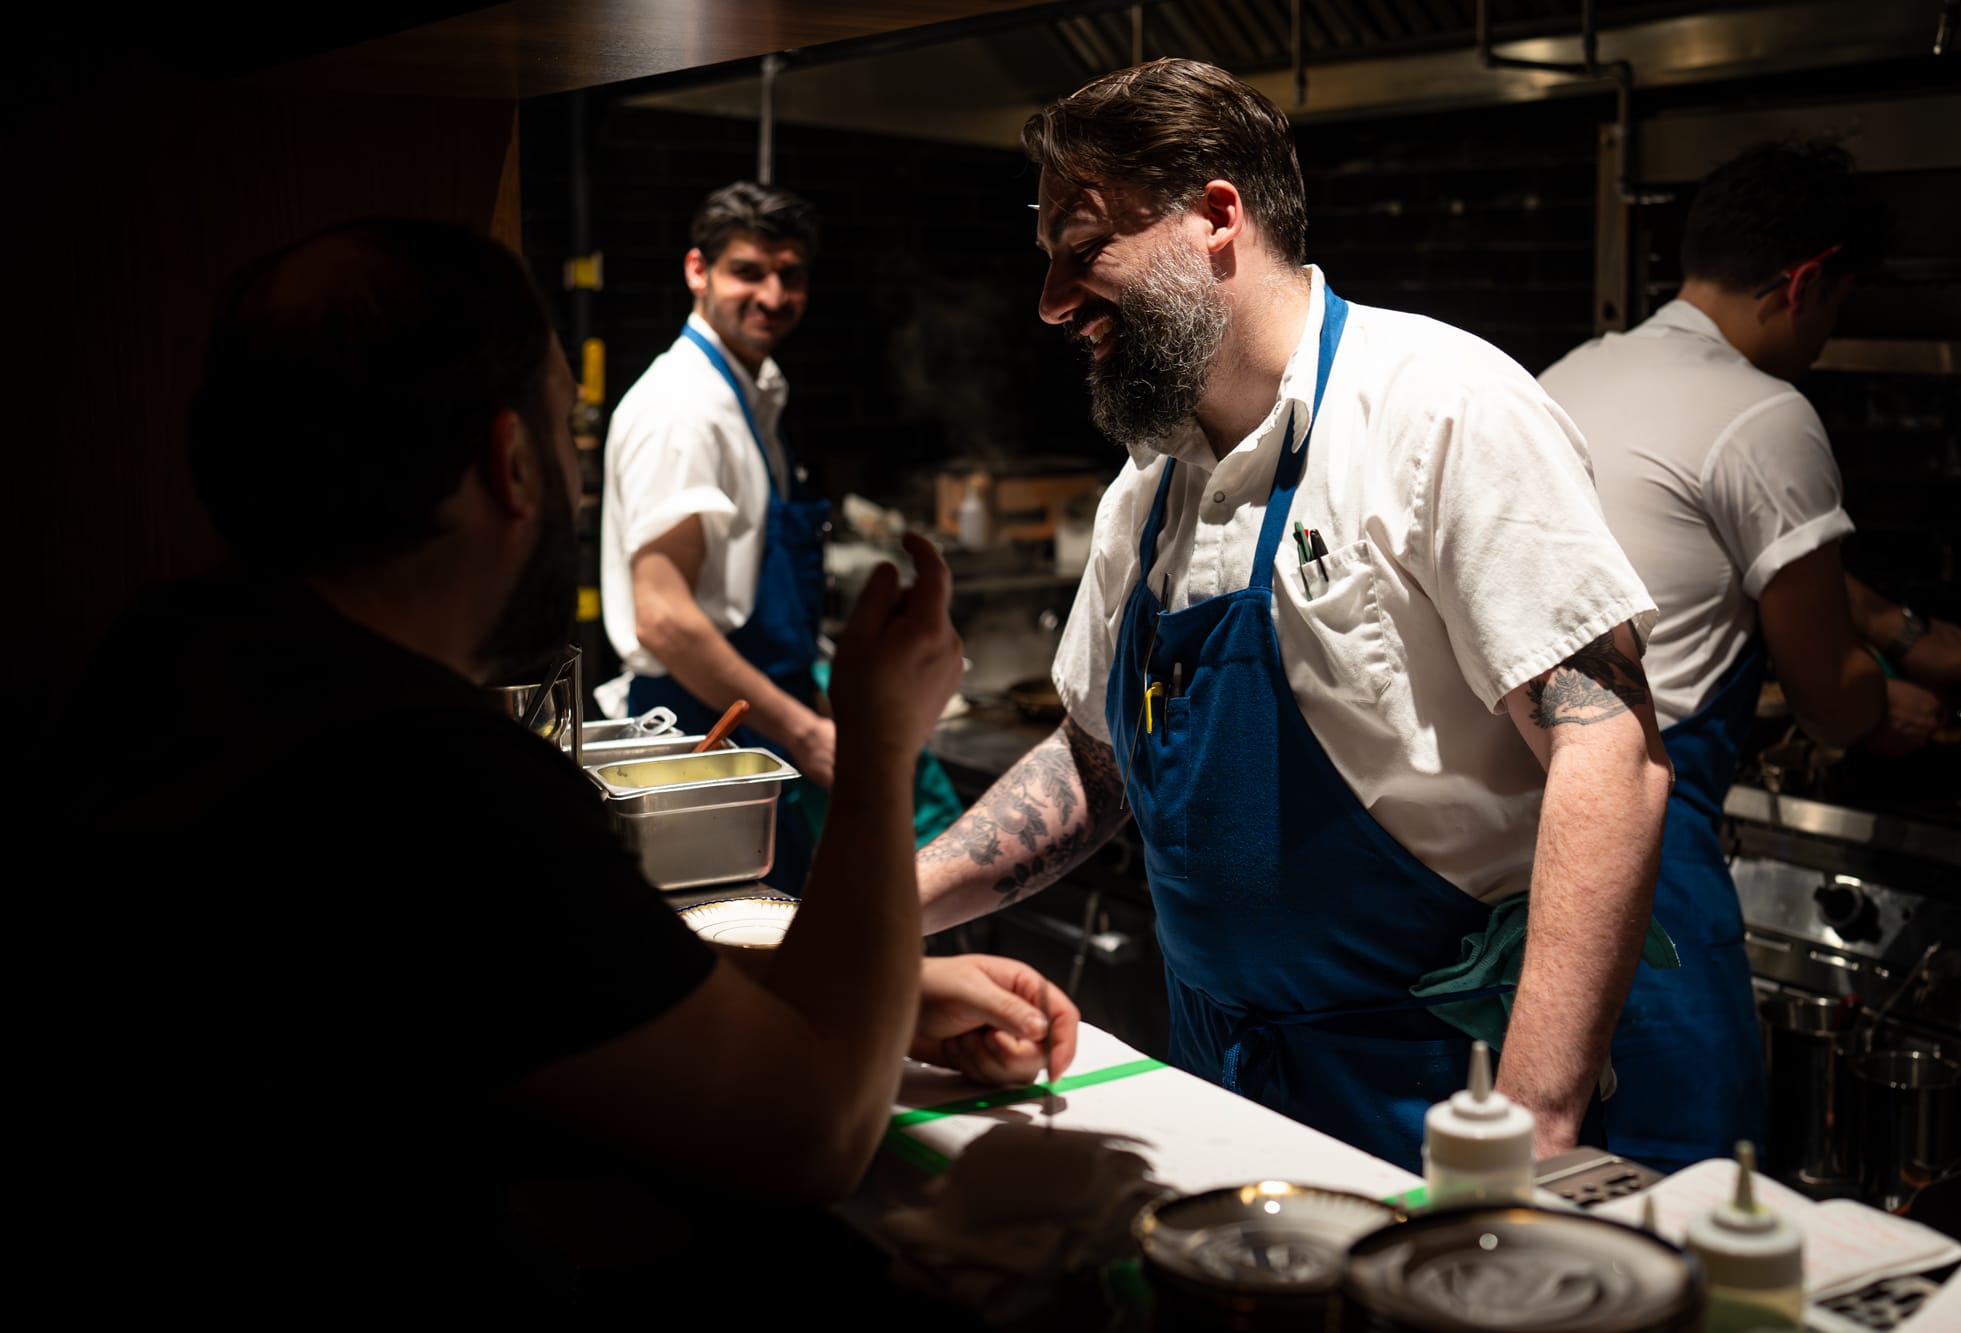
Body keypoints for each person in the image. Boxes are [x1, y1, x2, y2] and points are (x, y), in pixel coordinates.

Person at [57, 219, 1079, 1321]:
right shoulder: (434, 776)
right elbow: (811, 1135)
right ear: (508, 463)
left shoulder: (172, 655)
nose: (579, 471)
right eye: (563, 427)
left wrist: (868, 992)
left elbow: (531, 990)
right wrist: (877, 744)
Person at [915, 59, 1675, 1175]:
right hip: (1216, 1071)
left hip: (1430, 1088)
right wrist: (885, 913)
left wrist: (1526, 1127)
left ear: (1216, 216)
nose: (1052, 300)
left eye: (1084, 248)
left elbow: (1607, 747)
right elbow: (1091, 760)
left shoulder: (1438, 407)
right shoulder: (1149, 486)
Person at [1538, 139, 1961, 1173]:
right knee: (1684, 1159)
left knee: (1553, 1152)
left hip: (1514, 824)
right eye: (1834, 306)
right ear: (1802, 282)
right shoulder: (1764, 412)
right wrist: (1887, 704)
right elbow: (1830, 704)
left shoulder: (1572, 372)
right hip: (1642, 844)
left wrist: (1897, 628)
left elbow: (1716, 538)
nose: (1826, 335)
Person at [597, 181, 831, 895]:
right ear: (698, 271)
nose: (772, 294)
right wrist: (806, 731)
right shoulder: (683, 408)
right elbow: (664, 618)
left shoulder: (748, 392)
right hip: (704, 739)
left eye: (790, 275)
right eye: (749, 271)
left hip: (752, 726)